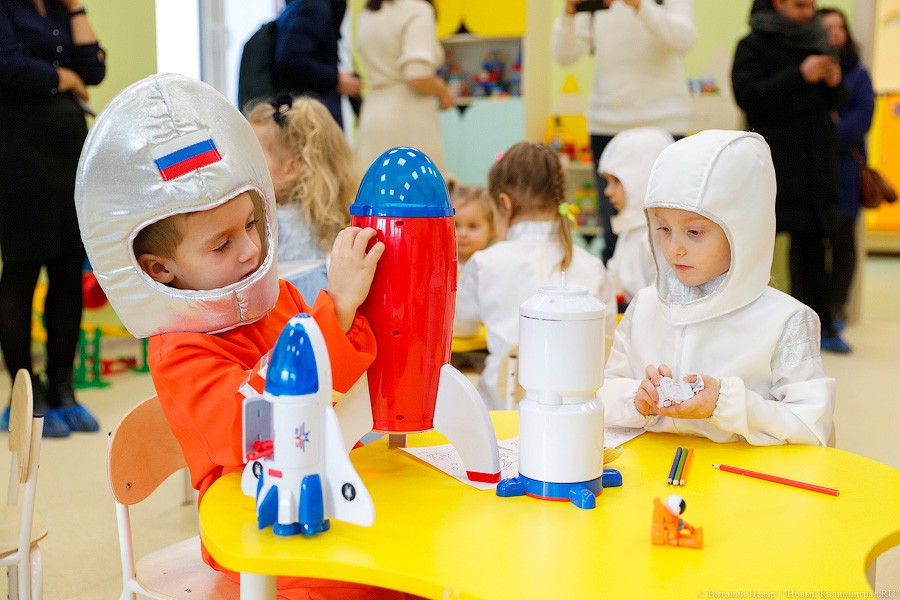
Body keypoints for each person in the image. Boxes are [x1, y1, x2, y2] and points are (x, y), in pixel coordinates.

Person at [74, 73, 419, 600]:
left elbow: (343, 381)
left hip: (318, 483)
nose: (250, 251)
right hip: (250, 519)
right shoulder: (178, 349)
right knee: (367, 580)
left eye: (251, 225)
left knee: (411, 552)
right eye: (221, 245)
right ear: (160, 269)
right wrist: (338, 307)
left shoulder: (276, 297)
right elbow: (254, 430)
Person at [601, 130, 836, 446]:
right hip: (652, 471)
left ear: (743, 230)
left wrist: (728, 404)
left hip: (740, 476)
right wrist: (636, 399)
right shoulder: (645, 306)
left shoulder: (786, 321)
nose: (674, 249)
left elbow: (812, 427)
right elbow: (604, 395)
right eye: (664, 228)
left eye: (694, 232)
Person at [0, 0, 106, 437]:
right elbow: (8, 65)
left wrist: (77, 8)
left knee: (67, 268)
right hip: (17, 148)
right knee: (23, 268)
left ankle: (63, 388)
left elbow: (94, 69)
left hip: (69, 152)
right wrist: (64, 78)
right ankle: (25, 395)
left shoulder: (61, 11)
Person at [454, 142, 616, 410]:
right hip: (579, 413)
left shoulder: (486, 262)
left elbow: (459, 326)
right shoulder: (592, 266)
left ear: (504, 204)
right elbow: (606, 342)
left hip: (503, 411)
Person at [731, 0, 850, 354]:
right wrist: (800, 74)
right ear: (777, 3)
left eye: (810, 4)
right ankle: (745, 329)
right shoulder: (752, 45)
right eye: (800, 4)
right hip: (773, 163)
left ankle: (818, 328)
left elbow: (837, 102)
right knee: (756, 248)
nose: (808, 11)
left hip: (815, 165)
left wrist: (835, 82)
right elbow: (748, 96)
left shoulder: (817, 40)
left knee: (812, 249)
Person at [551, 0, 696, 264]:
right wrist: (570, 13)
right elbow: (564, 56)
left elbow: (684, 39)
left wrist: (640, 5)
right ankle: (618, 288)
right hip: (607, 124)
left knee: (673, 224)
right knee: (614, 231)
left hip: (665, 122)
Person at [247, 94, 358, 302]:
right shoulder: (330, 217)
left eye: (253, 155)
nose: (244, 165)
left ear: (291, 169)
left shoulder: (270, 223)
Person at [820, 7, 875, 332]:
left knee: (843, 242)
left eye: (840, 26)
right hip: (812, 171)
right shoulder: (807, 68)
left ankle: (836, 308)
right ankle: (812, 310)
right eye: (828, 27)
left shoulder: (859, 74)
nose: (835, 32)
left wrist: (828, 132)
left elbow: (862, 118)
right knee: (810, 243)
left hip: (846, 172)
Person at [355, 0, 453, 173]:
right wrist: (443, 91)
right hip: (408, 115)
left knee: (374, 183)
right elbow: (417, 76)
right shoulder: (417, 10)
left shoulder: (367, 14)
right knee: (418, 184)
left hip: (373, 114)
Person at [597, 127, 674, 305]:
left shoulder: (659, 237)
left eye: (616, 181)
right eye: (607, 181)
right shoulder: (629, 231)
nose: (607, 191)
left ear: (643, 179)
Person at [274, 0, 361, 128]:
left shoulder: (305, 6)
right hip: (312, 117)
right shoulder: (314, 7)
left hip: (308, 112)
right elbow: (292, 59)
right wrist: (336, 79)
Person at [450, 184, 494, 271]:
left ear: (492, 229)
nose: (462, 233)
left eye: (472, 226)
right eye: (456, 225)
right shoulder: (441, 263)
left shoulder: (492, 264)